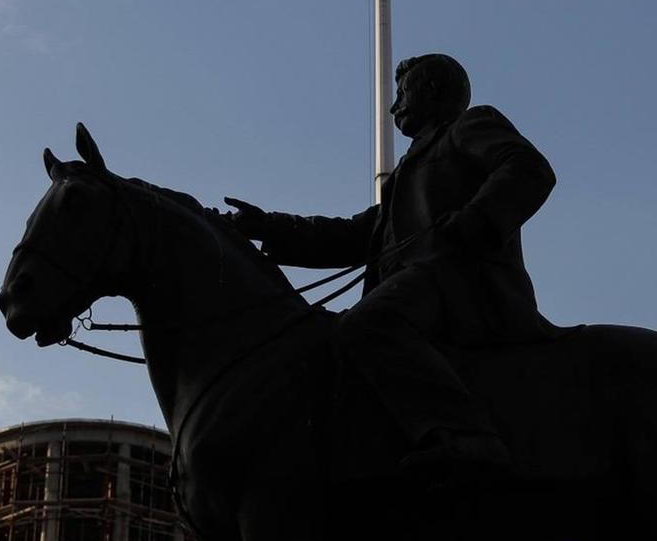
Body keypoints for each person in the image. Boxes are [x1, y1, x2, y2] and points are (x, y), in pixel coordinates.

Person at [223, 54, 556, 478]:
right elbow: (357, 235)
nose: (395, 105)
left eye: (402, 92)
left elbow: (528, 168)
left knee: (367, 324)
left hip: (459, 285)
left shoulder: (469, 127)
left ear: (432, 90)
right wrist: (268, 225)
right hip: (413, 292)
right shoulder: (404, 174)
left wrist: (474, 222)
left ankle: (466, 437)